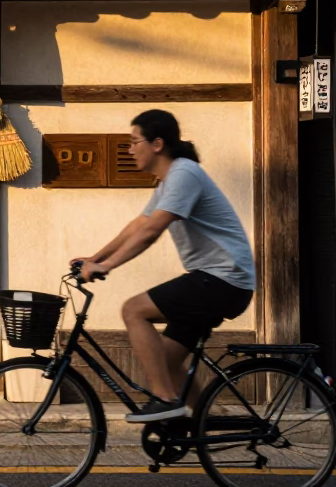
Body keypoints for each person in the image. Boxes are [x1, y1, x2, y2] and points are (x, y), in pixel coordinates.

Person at [73, 110, 254, 423]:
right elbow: (137, 224)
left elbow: (150, 231)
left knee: (133, 310)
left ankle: (165, 399)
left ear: (157, 144)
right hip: (214, 281)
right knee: (168, 362)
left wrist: (109, 266)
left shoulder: (184, 174)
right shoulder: (170, 181)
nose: (129, 150)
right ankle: (202, 425)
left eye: (133, 142)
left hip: (224, 280)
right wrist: (95, 259)